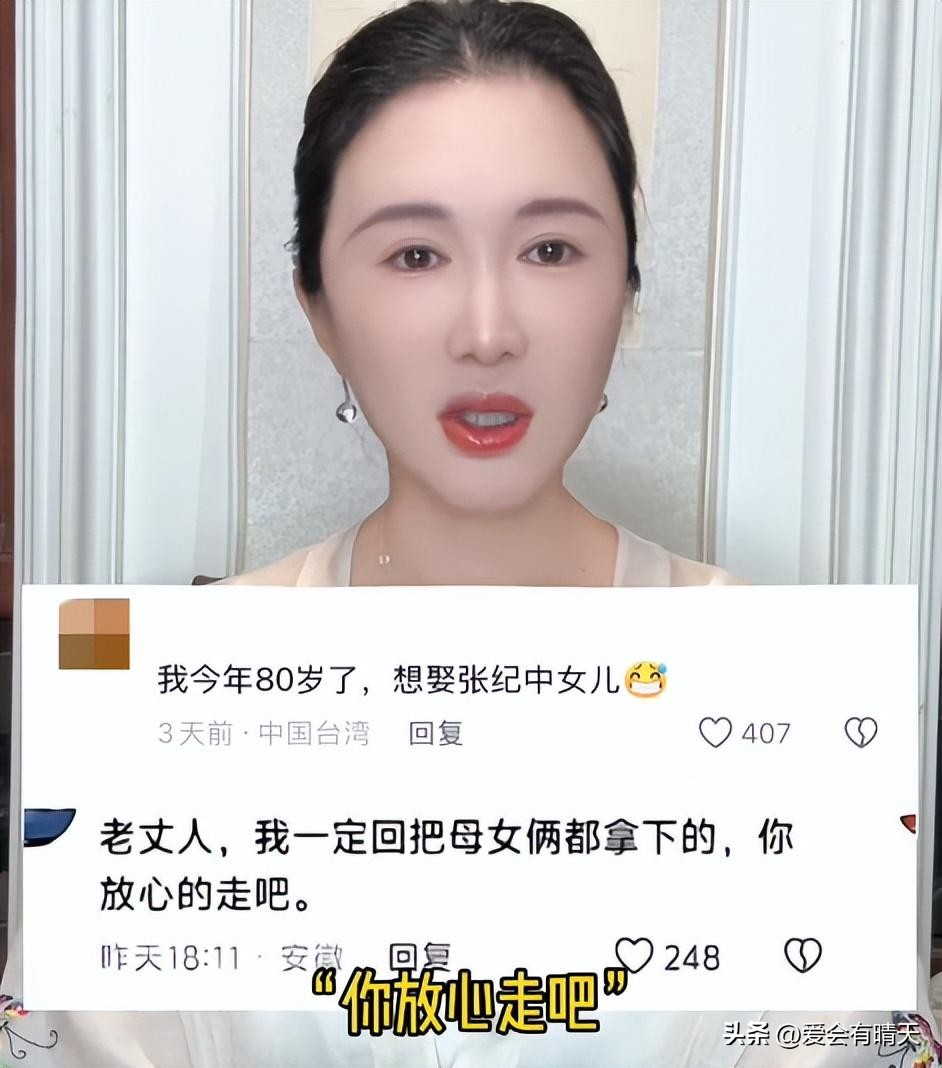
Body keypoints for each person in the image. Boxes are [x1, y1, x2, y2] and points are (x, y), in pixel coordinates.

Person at [2, 1, 933, 1065]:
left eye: (550, 248)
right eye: (414, 255)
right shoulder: (151, 695)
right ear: (317, 304)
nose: (488, 333)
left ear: (626, 284)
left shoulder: (792, 691)